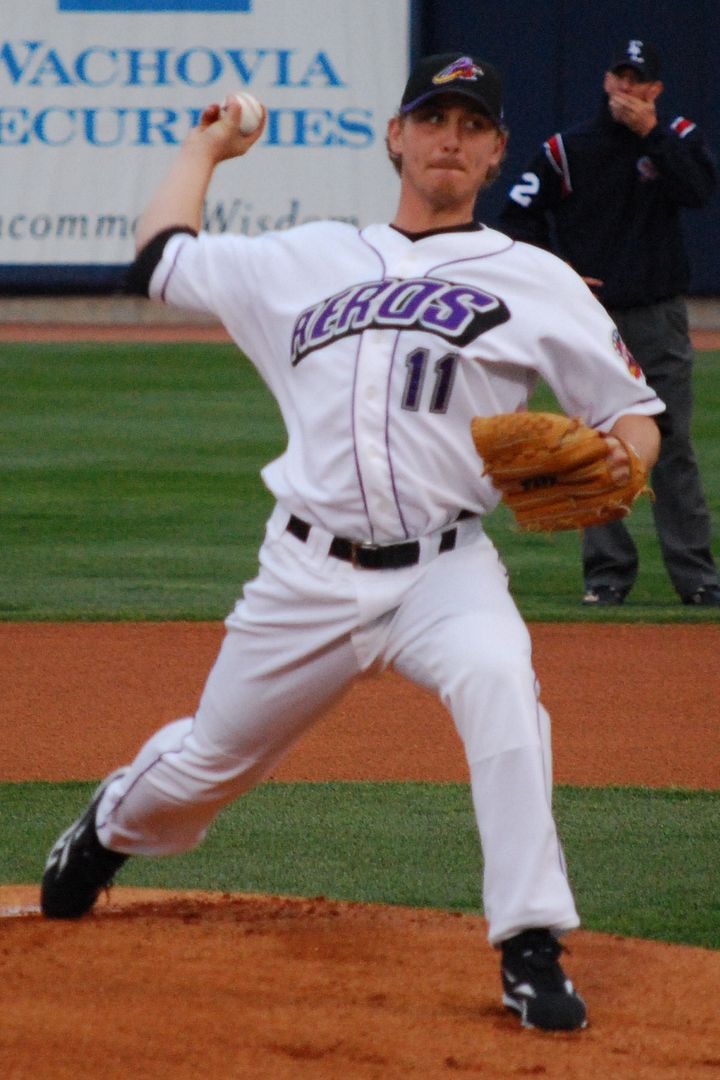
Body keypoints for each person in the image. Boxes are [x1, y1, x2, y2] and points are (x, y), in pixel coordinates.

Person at [40, 52, 663, 1032]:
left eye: (471, 125)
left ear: (496, 152)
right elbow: (160, 258)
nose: (450, 138)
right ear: (397, 138)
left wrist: (625, 464)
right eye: (434, 120)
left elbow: (632, 411)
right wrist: (207, 148)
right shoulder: (305, 260)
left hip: (446, 572)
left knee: (504, 691)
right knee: (211, 760)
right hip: (306, 574)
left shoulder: (534, 279)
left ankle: (529, 944)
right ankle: (110, 825)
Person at [500, 38, 720, 607]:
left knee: (669, 446)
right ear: (605, 80)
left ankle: (695, 576)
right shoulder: (565, 149)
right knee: (597, 444)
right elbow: (516, 217)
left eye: (638, 79)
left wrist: (654, 134)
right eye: (620, 76)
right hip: (590, 320)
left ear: (655, 88)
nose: (627, 88)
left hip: (658, 314)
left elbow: (698, 191)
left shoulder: (679, 136)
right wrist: (557, 269)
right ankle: (607, 574)